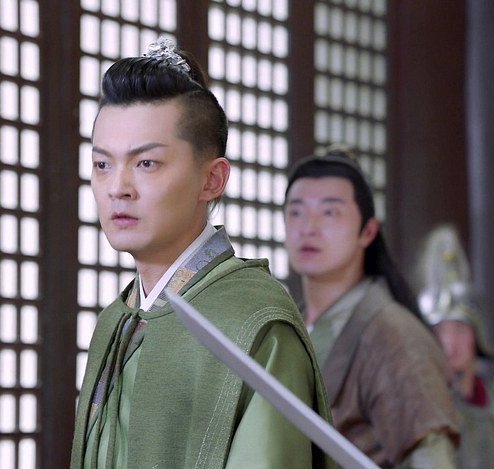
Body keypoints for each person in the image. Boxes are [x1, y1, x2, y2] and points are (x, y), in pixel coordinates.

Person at [70, 38, 334, 468]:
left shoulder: (253, 324)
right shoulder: (116, 321)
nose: (117, 187)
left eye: (146, 163)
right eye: (103, 165)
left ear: (212, 179)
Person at [283, 145, 458, 467]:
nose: (308, 227)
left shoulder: (395, 336)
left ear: (367, 231)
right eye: (296, 212)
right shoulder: (291, 323)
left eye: (329, 212)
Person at [416, 224, 494, 469]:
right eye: (440, 332)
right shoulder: (416, 404)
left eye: (460, 329)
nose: (449, 343)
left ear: (477, 336)